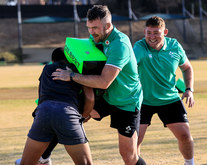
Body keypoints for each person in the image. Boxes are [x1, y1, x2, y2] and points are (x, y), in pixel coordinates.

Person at [52, 5, 146, 165]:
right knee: (68, 113)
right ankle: (44, 156)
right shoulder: (96, 38)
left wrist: (72, 76)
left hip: (126, 101)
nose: (91, 32)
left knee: (128, 156)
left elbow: (104, 82)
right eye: (89, 28)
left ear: (108, 26)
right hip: (107, 97)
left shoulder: (120, 44)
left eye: (95, 28)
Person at [133, 16, 195, 165]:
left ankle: (190, 163)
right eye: (149, 33)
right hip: (143, 101)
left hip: (169, 99)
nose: (152, 37)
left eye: (156, 32)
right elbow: (128, 68)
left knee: (185, 136)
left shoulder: (174, 46)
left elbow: (187, 68)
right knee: (135, 142)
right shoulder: (139, 47)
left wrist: (189, 89)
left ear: (165, 32)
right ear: (144, 32)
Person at [19, 47, 94, 165]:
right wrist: (82, 116)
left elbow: (40, 95)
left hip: (44, 111)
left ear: (53, 61)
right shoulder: (77, 71)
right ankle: (44, 157)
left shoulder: (47, 68)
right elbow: (90, 98)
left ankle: (44, 158)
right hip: (68, 112)